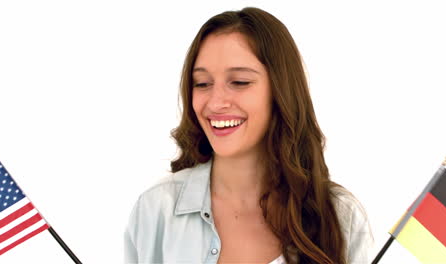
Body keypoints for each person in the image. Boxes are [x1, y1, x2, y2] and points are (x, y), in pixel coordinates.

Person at [125, 7, 374, 264]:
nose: (215, 102)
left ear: (280, 91)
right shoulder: (156, 211)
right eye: (202, 84)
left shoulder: (341, 216)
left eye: (240, 82)